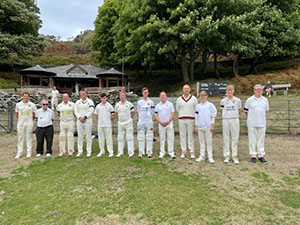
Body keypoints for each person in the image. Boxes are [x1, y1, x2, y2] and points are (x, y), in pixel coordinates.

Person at [244, 84, 269, 164]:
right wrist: (252, 118)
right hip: (252, 123)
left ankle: (261, 155)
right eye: (257, 89)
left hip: (262, 123)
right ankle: (253, 156)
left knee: (261, 140)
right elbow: (245, 111)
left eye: (260, 89)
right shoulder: (249, 100)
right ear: (254, 90)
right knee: (252, 140)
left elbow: (265, 111)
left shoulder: (265, 100)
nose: (258, 91)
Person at [220, 85, 242, 164]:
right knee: (226, 138)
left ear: (233, 91)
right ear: (226, 91)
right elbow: (221, 110)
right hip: (226, 120)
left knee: (235, 138)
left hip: (234, 119)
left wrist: (234, 116)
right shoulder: (223, 101)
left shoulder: (237, 100)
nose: (229, 91)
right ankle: (226, 156)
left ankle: (234, 156)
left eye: (231, 90)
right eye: (228, 90)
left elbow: (239, 110)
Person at [176, 84, 198, 159]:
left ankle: (191, 151)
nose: (186, 90)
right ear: (183, 90)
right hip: (182, 119)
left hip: (191, 119)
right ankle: (183, 151)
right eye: (185, 88)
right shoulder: (179, 99)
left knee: (190, 136)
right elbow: (177, 109)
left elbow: (196, 109)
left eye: (187, 88)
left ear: (189, 89)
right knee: (182, 135)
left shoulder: (194, 99)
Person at [195, 91, 217, 164]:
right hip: (200, 126)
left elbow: (213, 115)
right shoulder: (198, 106)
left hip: (208, 126)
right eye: (201, 96)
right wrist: (196, 125)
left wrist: (212, 125)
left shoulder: (210, 105)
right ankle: (202, 156)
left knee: (209, 142)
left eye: (204, 96)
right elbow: (196, 116)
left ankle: (210, 157)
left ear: (206, 96)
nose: (203, 97)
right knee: (201, 142)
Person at [15, 92, 37, 158]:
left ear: (29, 97)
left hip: (29, 123)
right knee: (20, 138)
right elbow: (17, 114)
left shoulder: (32, 105)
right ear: (22, 97)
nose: (26, 98)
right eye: (24, 96)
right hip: (21, 123)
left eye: (27, 96)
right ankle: (19, 152)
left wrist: (30, 120)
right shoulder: (18, 104)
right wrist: (21, 120)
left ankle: (29, 152)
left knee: (29, 137)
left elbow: (34, 114)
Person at [154, 91, 175, 159]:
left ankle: (171, 152)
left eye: (164, 95)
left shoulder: (170, 104)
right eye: (161, 96)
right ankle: (162, 152)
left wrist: (168, 121)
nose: (163, 97)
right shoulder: (157, 105)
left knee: (170, 138)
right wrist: (160, 122)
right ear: (160, 97)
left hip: (169, 123)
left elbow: (172, 113)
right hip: (161, 124)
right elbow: (156, 115)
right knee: (162, 138)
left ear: (166, 96)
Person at [94, 93, 115, 158]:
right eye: (102, 98)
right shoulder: (98, 106)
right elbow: (96, 115)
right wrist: (101, 120)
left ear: (106, 98)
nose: (103, 99)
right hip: (100, 125)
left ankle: (110, 151)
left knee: (109, 138)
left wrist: (108, 120)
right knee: (101, 138)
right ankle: (102, 151)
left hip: (107, 125)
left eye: (104, 98)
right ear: (100, 98)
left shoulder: (109, 106)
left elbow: (113, 114)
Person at [74, 89, 95, 157]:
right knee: (80, 136)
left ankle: (89, 151)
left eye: (84, 93)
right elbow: (76, 111)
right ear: (80, 94)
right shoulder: (77, 102)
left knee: (88, 136)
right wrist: (80, 117)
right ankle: (80, 151)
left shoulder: (90, 101)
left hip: (87, 120)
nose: (83, 95)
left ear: (86, 94)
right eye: (81, 94)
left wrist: (85, 117)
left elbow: (91, 111)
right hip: (79, 120)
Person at [115, 91, 135, 158]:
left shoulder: (129, 104)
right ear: (119, 96)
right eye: (121, 95)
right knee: (120, 138)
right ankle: (120, 152)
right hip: (120, 123)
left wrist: (129, 119)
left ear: (125, 96)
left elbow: (133, 112)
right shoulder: (117, 105)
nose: (122, 97)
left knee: (129, 138)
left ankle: (131, 152)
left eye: (123, 95)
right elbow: (116, 113)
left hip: (128, 122)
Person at [137, 87, 155, 158]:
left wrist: (149, 117)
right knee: (141, 137)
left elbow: (152, 111)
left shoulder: (151, 102)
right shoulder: (139, 102)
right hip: (141, 121)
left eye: (146, 92)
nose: (145, 94)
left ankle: (149, 152)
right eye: (144, 93)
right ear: (142, 93)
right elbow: (138, 111)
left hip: (149, 121)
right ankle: (141, 152)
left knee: (149, 137)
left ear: (148, 93)